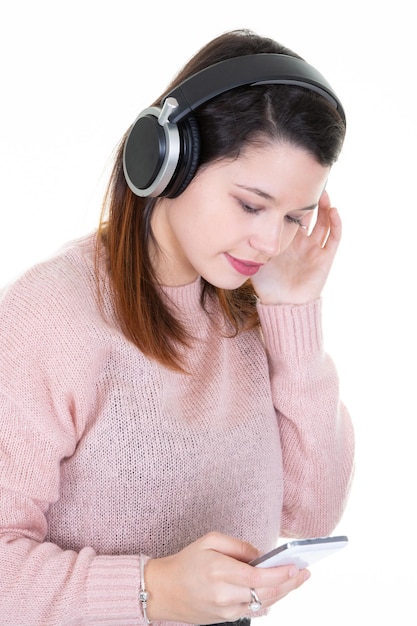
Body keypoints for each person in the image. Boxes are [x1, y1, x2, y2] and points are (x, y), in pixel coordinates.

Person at [0, 28, 354, 626]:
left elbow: (312, 513)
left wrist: (295, 317)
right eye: (250, 204)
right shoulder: (53, 316)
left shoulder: (257, 308)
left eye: (296, 216)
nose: (271, 242)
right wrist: (150, 590)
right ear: (167, 160)